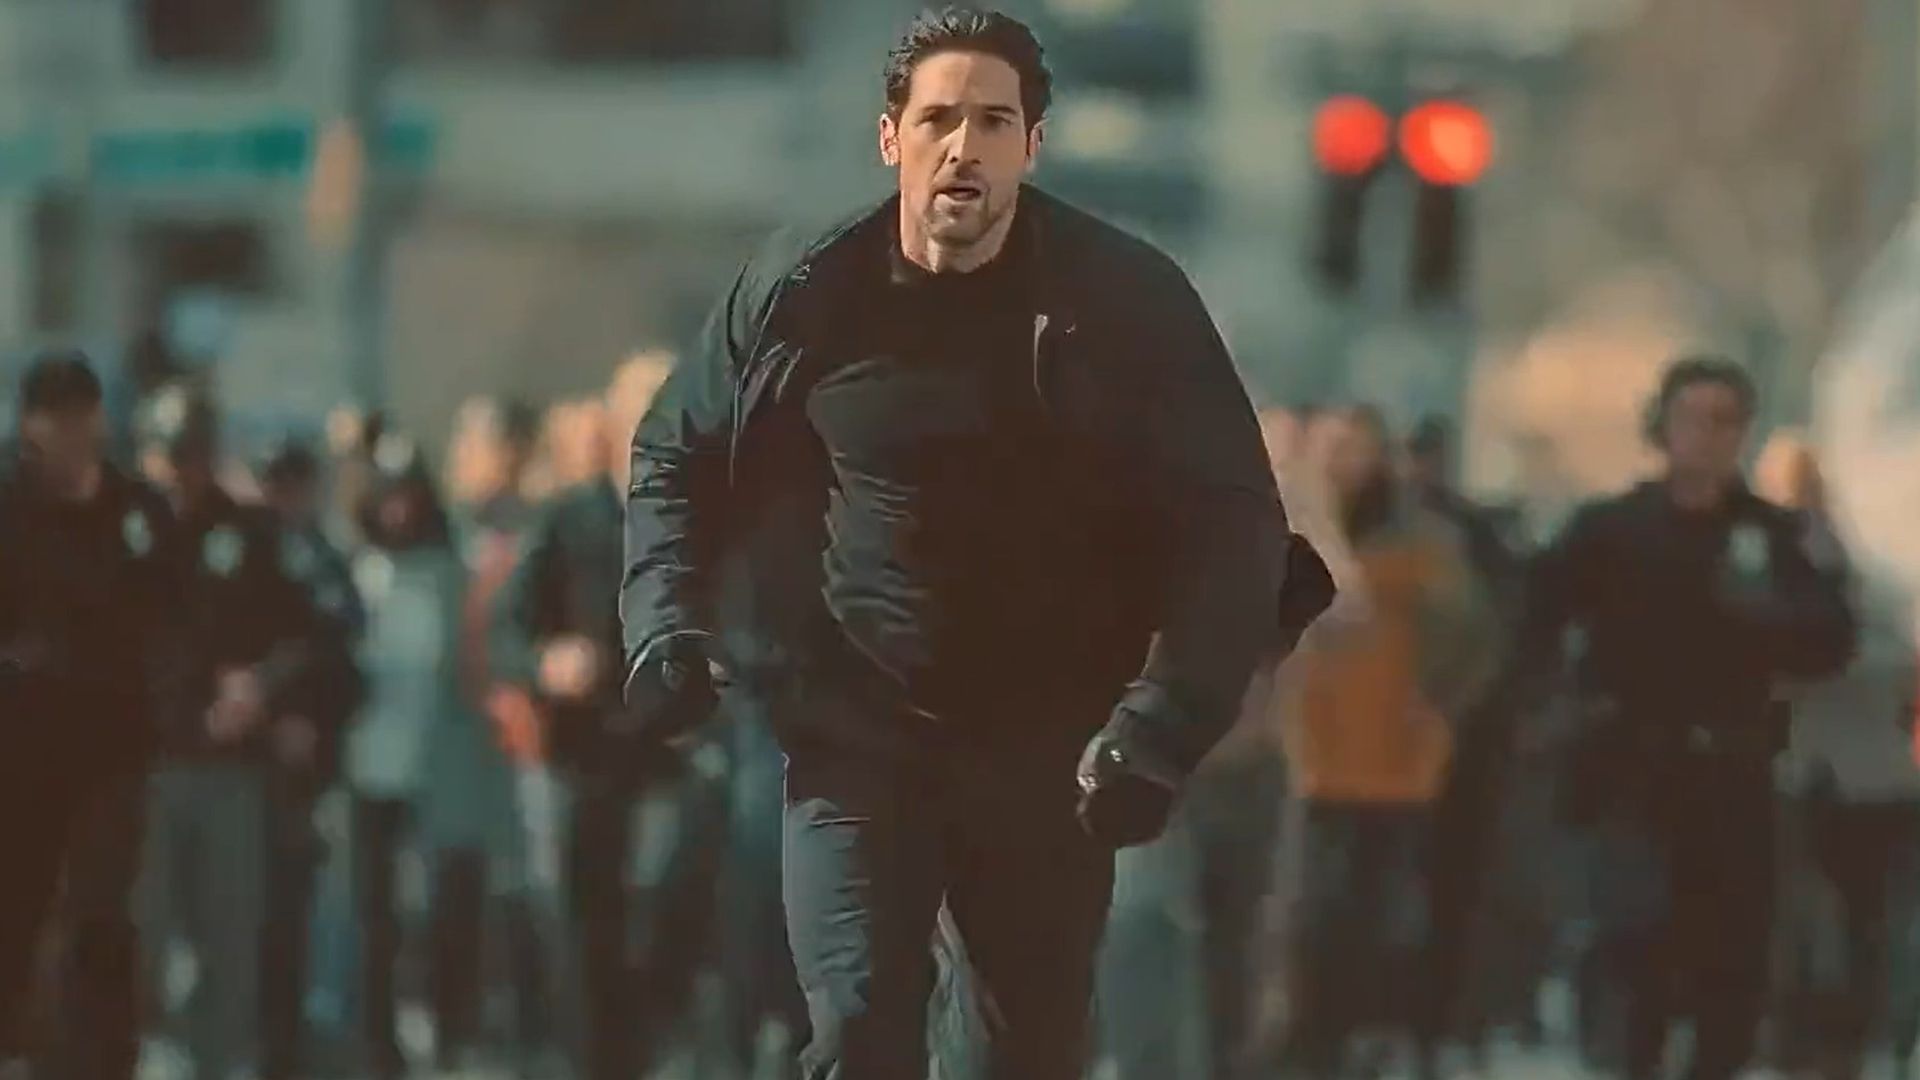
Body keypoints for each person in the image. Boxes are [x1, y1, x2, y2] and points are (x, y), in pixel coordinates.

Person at [618, 9, 1328, 1078]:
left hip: (1047, 745)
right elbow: (677, 449)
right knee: (859, 1031)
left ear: (1031, 147)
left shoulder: (1126, 302)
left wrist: (1161, 728)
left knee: (1021, 1055)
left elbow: (1232, 524)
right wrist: (666, 623)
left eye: (994, 123)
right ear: (890, 138)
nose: (964, 147)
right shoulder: (807, 289)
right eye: (939, 118)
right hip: (854, 728)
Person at [1521, 356, 1857, 1080]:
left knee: (1730, 966)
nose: (1708, 436)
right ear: (1662, 427)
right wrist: (1562, 708)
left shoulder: (1771, 535)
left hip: (1734, 772)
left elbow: (1833, 636)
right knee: (1634, 951)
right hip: (1632, 774)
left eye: (1726, 421)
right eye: (1693, 419)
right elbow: (1532, 618)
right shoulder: (1611, 529)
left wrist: (1768, 614)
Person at [493, 356, 723, 1080]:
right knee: (584, 929)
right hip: (584, 759)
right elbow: (508, 629)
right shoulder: (569, 518)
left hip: (667, 759)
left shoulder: (702, 523)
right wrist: (546, 662)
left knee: (661, 918)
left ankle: (651, 1051)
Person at [1256, 405, 1500, 1079]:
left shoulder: (1424, 545)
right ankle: (1298, 1049)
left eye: (1355, 448)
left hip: (1397, 766)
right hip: (1302, 761)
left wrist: (1435, 708)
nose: (1343, 464)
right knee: (1302, 921)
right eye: (1331, 449)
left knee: (1377, 921)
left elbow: (1472, 641)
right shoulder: (1281, 535)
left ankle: (1368, 1043)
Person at [0, 352, 178, 1080]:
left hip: (113, 750)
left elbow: (174, 614)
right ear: (29, 425)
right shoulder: (10, 507)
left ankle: (102, 1064)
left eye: (82, 414)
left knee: (101, 915)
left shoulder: (138, 511)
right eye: (55, 417)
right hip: (22, 750)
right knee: (19, 905)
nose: (71, 432)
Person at [135, 382, 316, 1080]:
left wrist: (261, 686)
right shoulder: (123, 530)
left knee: (228, 940)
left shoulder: (247, 532)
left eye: (193, 454)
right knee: (139, 941)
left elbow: (304, 634)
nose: (180, 470)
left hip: (229, 766)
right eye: (169, 454)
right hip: (144, 766)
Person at [1756, 432, 1920, 1080]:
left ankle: (1846, 1041)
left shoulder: (1866, 583)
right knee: (1800, 921)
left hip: (1869, 780)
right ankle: (1798, 1037)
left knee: (1860, 921)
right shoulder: (1758, 573)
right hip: (1793, 775)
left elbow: (1902, 666)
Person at [255, 438, 365, 1080]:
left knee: (303, 909)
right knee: (255, 913)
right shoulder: (249, 550)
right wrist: (273, 715)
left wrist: (312, 720)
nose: (285, 498)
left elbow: (343, 655)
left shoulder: (325, 560)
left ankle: (295, 1045)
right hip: (253, 759)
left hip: (313, 766)